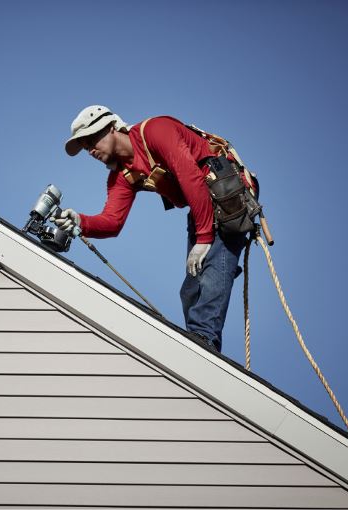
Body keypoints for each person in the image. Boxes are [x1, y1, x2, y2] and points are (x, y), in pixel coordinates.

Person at [56, 105, 249, 352]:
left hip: (227, 197)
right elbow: (112, 222)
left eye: (92, 139)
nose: (91, 150)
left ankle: (204, 345)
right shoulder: (122, 176)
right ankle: (199, 341)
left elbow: (191, 177)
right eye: (85, 147)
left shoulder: (156, 131)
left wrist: (203, 238)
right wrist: (81, 221)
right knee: (190, 292)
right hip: (203, 209)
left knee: (211, 282)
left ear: (113, 128)